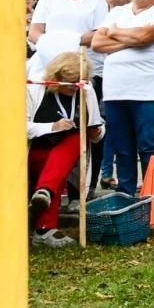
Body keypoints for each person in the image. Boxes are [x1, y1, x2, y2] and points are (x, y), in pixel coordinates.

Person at [91, 0, 154, 198]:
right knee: (122, 145)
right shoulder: (117, 12)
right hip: (116, 90)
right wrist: (132, 40)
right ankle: (125, 194)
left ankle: (151, 195)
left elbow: (146, 36)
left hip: (149, 90)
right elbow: (97, 43)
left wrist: (114, 33)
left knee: (148, 143)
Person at [26, 51, 105, 247]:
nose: (73, 86)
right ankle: (44, 226)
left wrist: (96, 132)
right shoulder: (34, 89)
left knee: (76, 138)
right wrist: (52, 126)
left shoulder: (86, 91)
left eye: (78, 81)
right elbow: (20, 126)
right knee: (56, 167)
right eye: (69, 81)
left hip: (66, 155)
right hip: (35, 151)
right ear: (56, 76)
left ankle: (44, 197)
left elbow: (97, 126)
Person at [28, 0, 108, 83]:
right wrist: (56, 49)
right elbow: (33, 33)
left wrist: (59, 42)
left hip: (83, 66)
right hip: (48, 64)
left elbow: (99, 33)